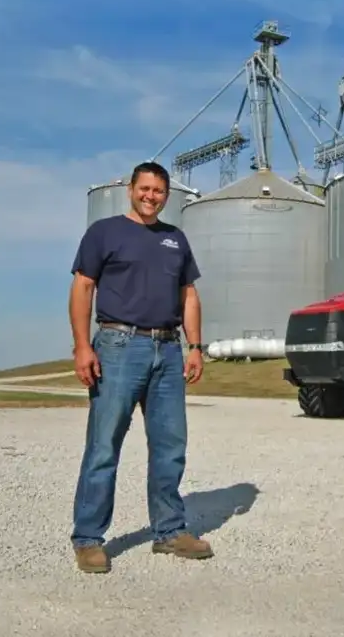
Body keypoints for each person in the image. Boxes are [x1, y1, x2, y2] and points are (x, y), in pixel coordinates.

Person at [66, 160, 212, 574]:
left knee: (170, 446)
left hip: (167, 350)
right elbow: (82, 287)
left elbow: (189, 296)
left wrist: (196, 346)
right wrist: (82, 346)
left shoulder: (175, 239)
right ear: (131, 189)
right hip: (117, 345)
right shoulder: (105, 233)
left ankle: (169, 531)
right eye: (145, 189)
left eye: (159, 191)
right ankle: (88, 538)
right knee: (104, 443)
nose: (151, 196)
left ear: (167, 196)